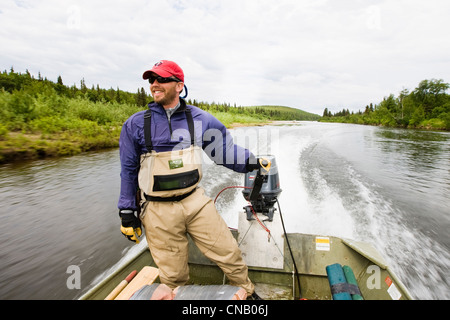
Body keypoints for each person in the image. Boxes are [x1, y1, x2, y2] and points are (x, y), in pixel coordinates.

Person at [117, 60, 262, 299]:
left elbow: (223, 152)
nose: (155, 84)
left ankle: (248, 292)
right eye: (152, 80)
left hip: (196, 202)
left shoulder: (201, 119)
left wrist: (252, 161)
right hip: (156, 209)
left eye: (162, 79)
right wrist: (126, 212)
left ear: (179, 85)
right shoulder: (134, 124)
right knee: (173, 275)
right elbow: (128, 170)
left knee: (229, 253)